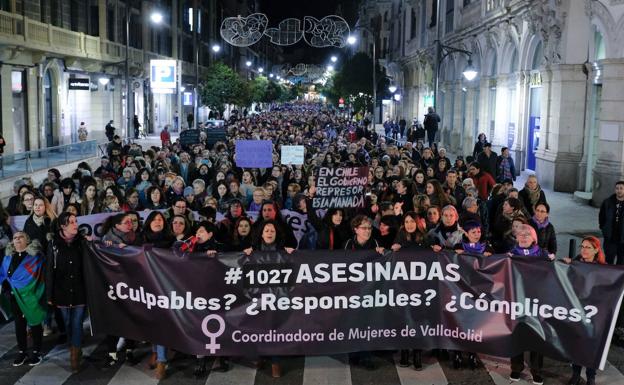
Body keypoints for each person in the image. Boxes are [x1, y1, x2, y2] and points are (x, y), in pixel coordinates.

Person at [508, 224, 550, 384]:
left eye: (527, 235)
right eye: (521, 234)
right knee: (517, 334)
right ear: (516, 237)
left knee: (537, 335)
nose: (524, 237)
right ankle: (516, 368)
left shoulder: (543, 254)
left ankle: (536, 370)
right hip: (517, 301)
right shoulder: (510, 255)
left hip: (537, 302)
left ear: (534, 238)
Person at [46, 212, 88, 373]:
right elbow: (49, 270)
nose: (75, 224)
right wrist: (49, 295)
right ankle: (74, 345)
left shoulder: (81, 242)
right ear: (63, 226)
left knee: (77, 323)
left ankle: (74, 355)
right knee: (67, 323)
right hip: (61, 291)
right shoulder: (54, 244)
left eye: (75, 221)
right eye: (71, 222)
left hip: (79, 290)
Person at [563, 236, 605, 385]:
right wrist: (565, 265)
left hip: (594, 313)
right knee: (577, 342)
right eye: (582, 246)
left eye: (588, 247)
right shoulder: (575, 264)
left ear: (596, 250)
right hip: (576, 311)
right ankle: (575, 373)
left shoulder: (603, 268)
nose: (584, 250)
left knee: (592, 345)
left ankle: (590, 376)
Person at [0, 232, 46, 366]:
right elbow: (3, 276)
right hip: (14, 297)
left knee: (35, 323)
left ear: (27, 240)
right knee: (19, 324)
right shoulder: (7, 258)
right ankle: (22, 352)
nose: (17, 239)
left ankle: (37, 352)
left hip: (32, 296)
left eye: (21, 237)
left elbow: (42, 276)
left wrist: (36, 293)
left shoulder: (36, 257)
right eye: (15, 238)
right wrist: (7, 289)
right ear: (12, 242)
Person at [599, 180, 624, 265]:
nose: (619, 190)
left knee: (621, 262)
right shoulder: (607, 202)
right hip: (610, 238)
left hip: (623, 239)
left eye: (621, 188)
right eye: (617, 188)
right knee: (609, 260)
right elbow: (601, 216)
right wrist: (603, 228)